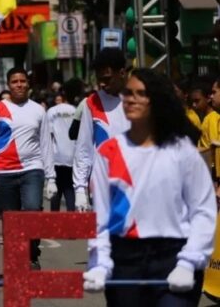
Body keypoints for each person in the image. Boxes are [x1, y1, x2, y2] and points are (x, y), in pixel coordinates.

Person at [83, 69, 216, 306]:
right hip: (126, 260)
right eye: (128, 93)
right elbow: (100, 218)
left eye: (141, 94)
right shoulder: (108, 152)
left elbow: (203, 211)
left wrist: (189, 261)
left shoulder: (181, 150)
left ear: (156, 100)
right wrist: (99, 262)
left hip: (174, 256)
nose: (131, 99)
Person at [0, 67, 55, 269]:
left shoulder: (39, 110)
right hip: (4, 172)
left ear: (28, 84)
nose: (19, 85)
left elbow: (46, 144)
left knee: (32, 210)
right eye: (15, 82)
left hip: (32, 169)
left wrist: (52, 177)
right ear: (9, 84)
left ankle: (31, 254)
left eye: (23, 81)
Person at [73, 48, 129, 211]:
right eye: (99, 80)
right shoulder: (93, 102)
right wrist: (80, 189)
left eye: (107, 79)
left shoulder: (139, 98)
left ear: (122, 73)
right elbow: (84, 148)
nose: (102, 84)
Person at [46, 92, 77, 211]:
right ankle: (72, 217)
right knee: (70, 188)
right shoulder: (75, 111)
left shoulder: (51, 111)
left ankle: (54, 219)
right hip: (72, 156)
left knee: (56, 190)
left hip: (56, 157)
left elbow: (49, 134)